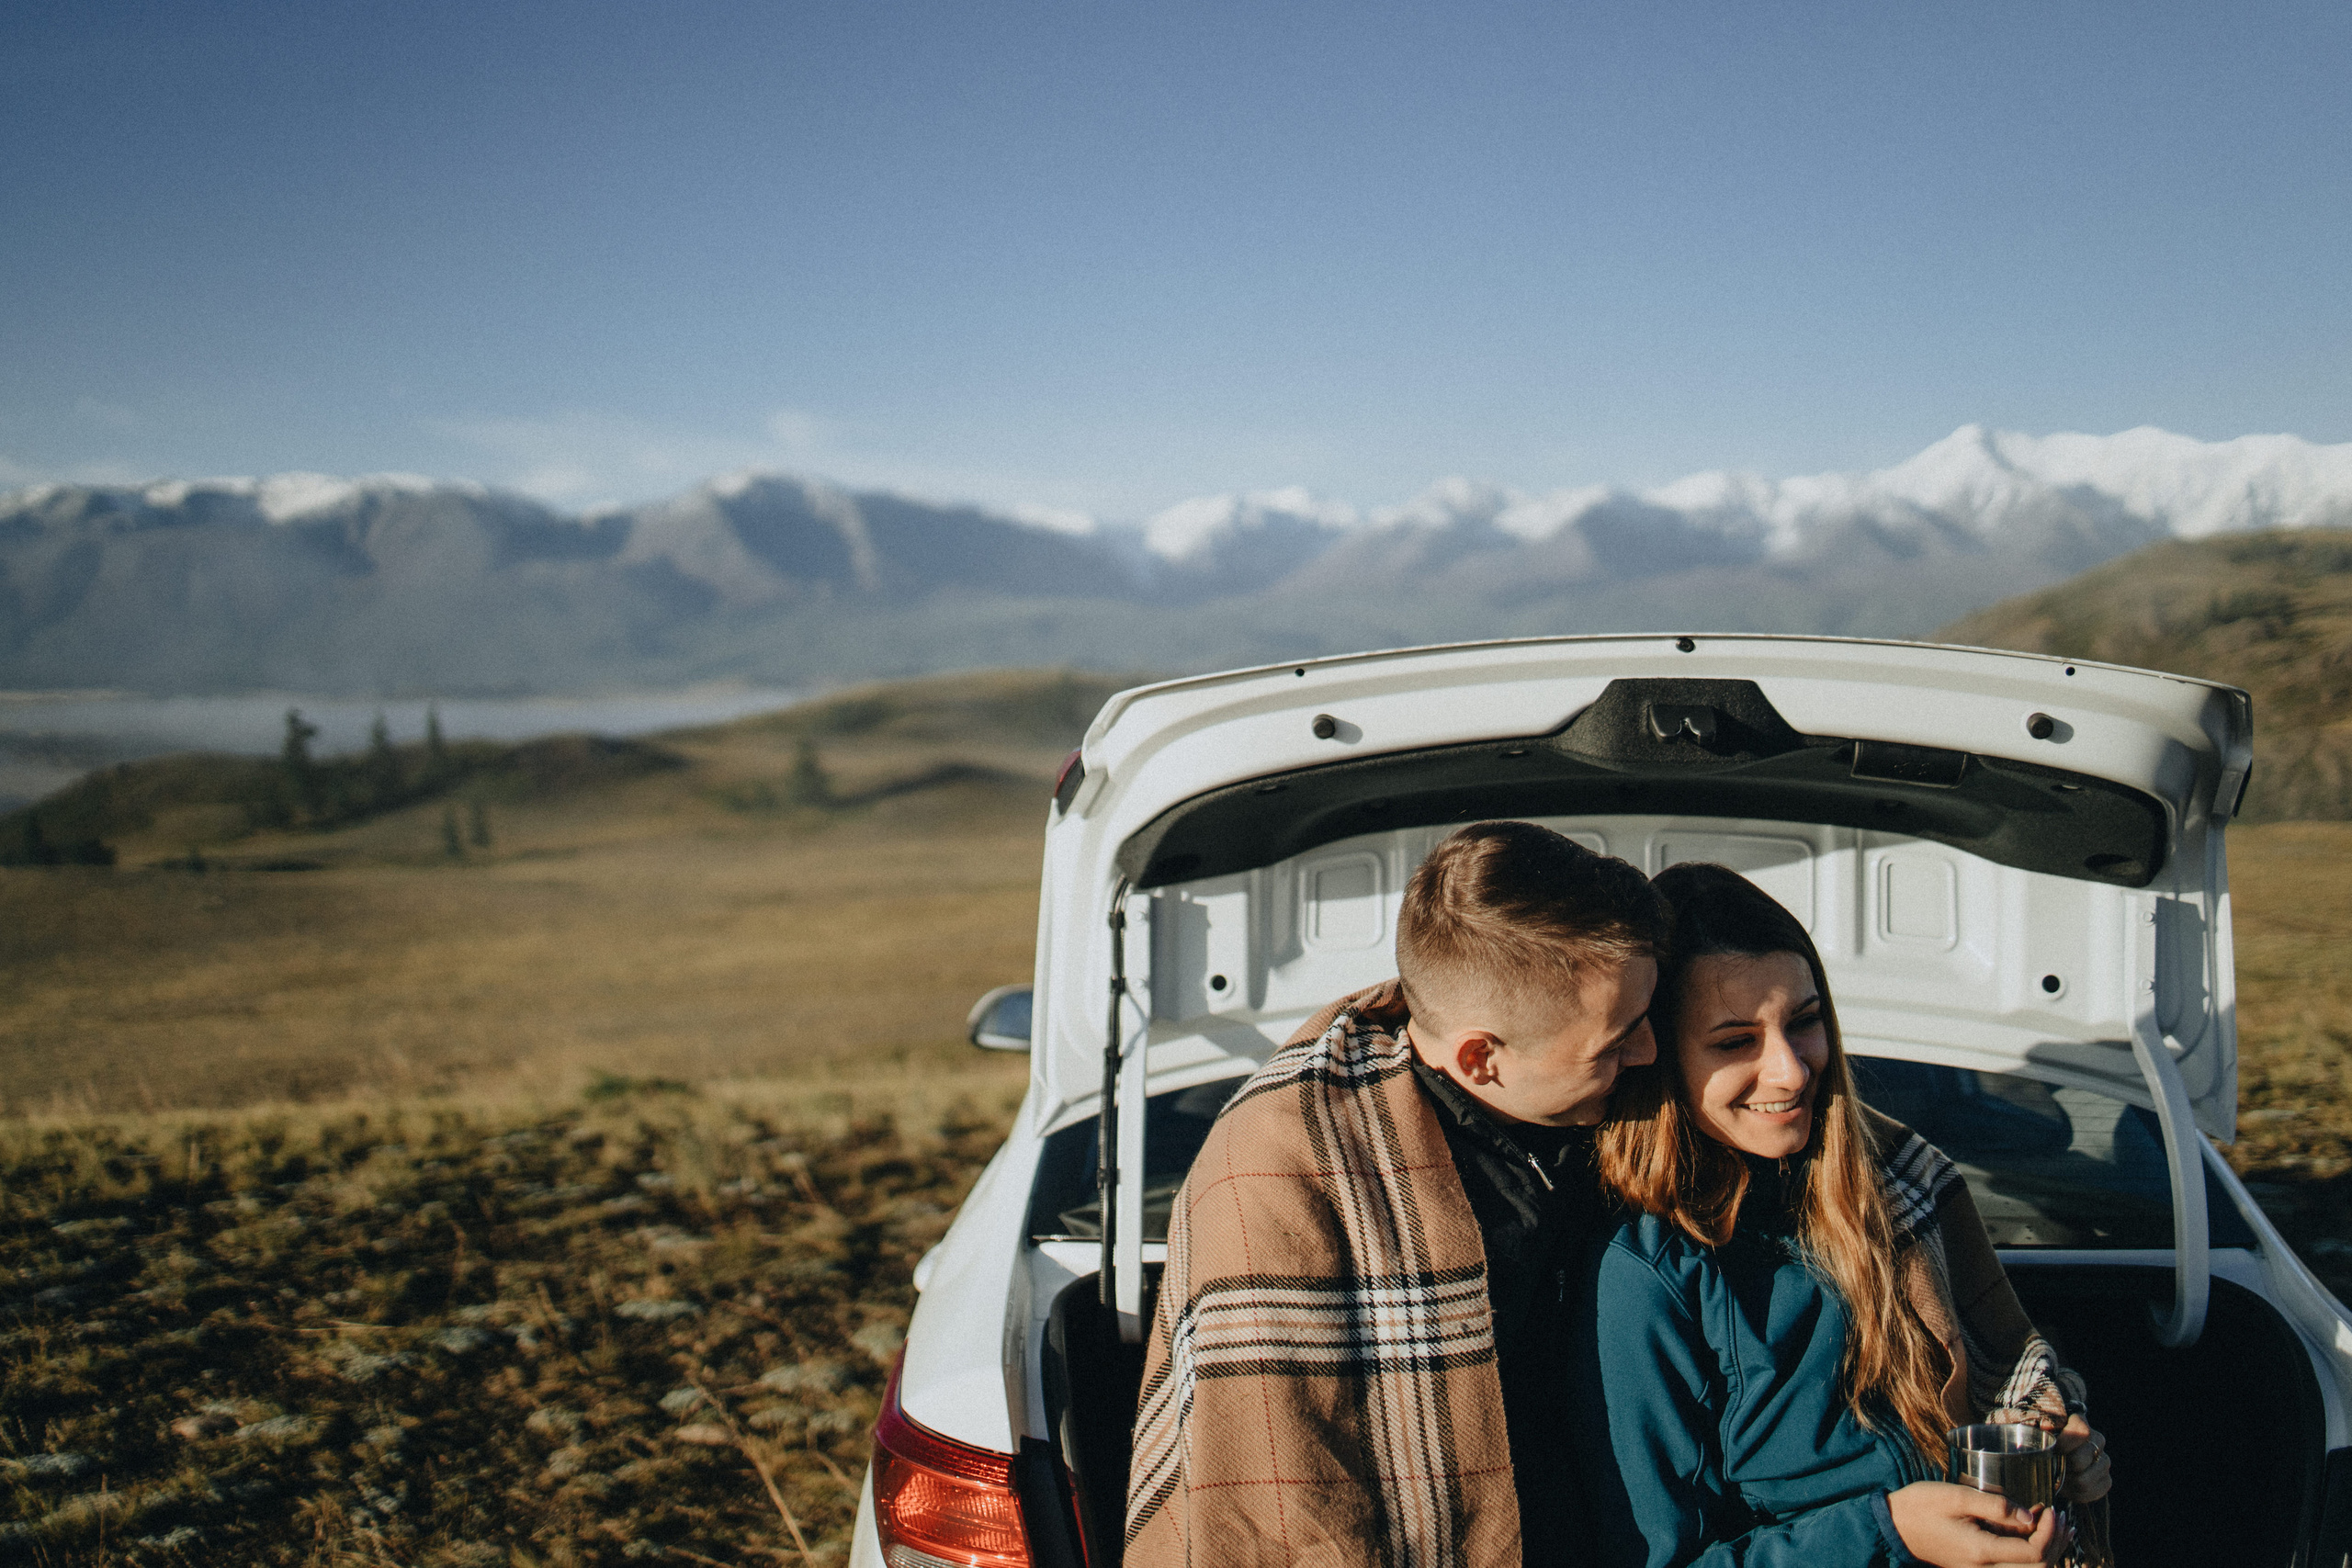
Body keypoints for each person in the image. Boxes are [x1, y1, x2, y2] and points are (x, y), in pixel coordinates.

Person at [1126, 820, 1667, 1568]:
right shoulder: (1277, 1174)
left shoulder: (1608, 1097)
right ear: (1481, 1057)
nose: (1648, 1052)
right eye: (1616, 1042)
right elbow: (1285, 1512)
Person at [1578, 862, 2114, 1568]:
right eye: (1736, 1041)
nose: (1793, 1070)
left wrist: (2059, 1460)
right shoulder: (1645, 1271)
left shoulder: (1895, 1177)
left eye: (1804, 1023)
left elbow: (2002, 1380)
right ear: (1664, 1059)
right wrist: (1888, 1531)